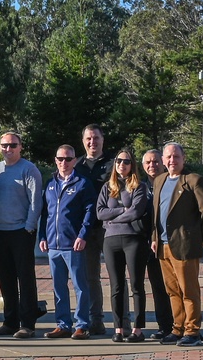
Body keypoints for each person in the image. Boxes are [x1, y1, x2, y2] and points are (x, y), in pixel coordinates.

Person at [151, 142, 203, 347]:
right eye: (168, 157)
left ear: (183, 159)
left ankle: (192, 331)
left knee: (189, 290)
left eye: (176, 157)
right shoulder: (159, 180)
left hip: (184, 245)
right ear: (163, 160)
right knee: (172, 291)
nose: (172, 161)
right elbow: (156, 213)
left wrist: (201, 236)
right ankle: (177, 329)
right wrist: (155, 237)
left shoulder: (193, 180)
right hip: (162, 245)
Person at [0, 131, 43, 339]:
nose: (8, 149)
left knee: (25, 279)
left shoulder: (29, 170)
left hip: (21, 232)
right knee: (5, 280)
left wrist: (29, 227)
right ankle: (10, 322)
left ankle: (27, 324)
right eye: (4, 145)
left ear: (20, 147)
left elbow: (36, 202)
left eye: (12, 145)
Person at [39, 144, 96, 341]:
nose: (64, 162)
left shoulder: (82, 183)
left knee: (80, 286)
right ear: (55, 160)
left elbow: (90, 211)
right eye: (60, 159)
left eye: (68, 159)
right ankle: (63, 324)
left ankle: (81, 325)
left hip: (73, 244)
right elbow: (45, 213)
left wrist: (83, 235)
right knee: (58, 287)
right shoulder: (50, 183)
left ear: (74, 161)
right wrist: (42, 237)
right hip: (53, 245)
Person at [96, 148, 150, 343]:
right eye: (119, 161)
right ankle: (118, 329)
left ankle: (137, 329)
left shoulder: (139, 186)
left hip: (133, 239)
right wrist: (121, 211)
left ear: (132, 165)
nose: (122, 164)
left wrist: (113, 217)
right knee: (116, 286)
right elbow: (100, 213)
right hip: (110, 241)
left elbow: (136, 212)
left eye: (126, 161)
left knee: (136, 285)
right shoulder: (107, 187)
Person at [76, 123, 115, 335]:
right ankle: (96, 321)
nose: (93, 142)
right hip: (86, 229)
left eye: (96, 138)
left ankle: (122, 322)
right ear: (83, 141)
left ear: (103, 140)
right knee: (90, 277)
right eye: (88, 139)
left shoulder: (113, 163)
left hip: (109, 228)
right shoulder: (76, 165)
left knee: (116, 276)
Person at [141, 148, 173, 338]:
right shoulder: (139, 187)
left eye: (155, 162)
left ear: (162, 163)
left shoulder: (172, 183)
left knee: (175, 287)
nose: (152, 165)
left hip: (170, 242)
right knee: (157, 287)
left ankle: (183, 326)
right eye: (148, 163)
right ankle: (165, 326)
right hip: (148, 244)